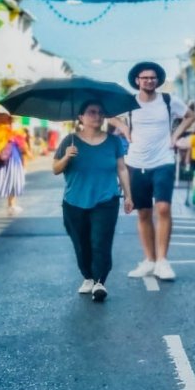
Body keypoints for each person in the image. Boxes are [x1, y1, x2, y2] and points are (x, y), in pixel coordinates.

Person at [118, 61, 194, 281]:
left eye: (152, 77)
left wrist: (175, 136)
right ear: (137, 81)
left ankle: (162, 261)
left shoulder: (169, 100)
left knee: (162, 208)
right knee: (143, 212)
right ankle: (149, 260)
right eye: (145, 78)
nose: (149, 81)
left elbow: (190, 116)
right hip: (136, 161)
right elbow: (108, 113)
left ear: (158, 80)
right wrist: (124, 128)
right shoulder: (129, 103)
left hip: (163, 160)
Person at [53, 100, 134, 302]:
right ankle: (87, 276)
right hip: (74, 201)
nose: (97, 116)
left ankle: (99, 281)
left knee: (101, 241)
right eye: (91, 112)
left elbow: (121, 168)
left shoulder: (114, 142)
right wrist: (66, 158)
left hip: (106, 200)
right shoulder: (69, 141)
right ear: (81, 117)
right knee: (81, 243)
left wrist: (129, 195)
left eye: (100, 112)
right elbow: (56, 169)